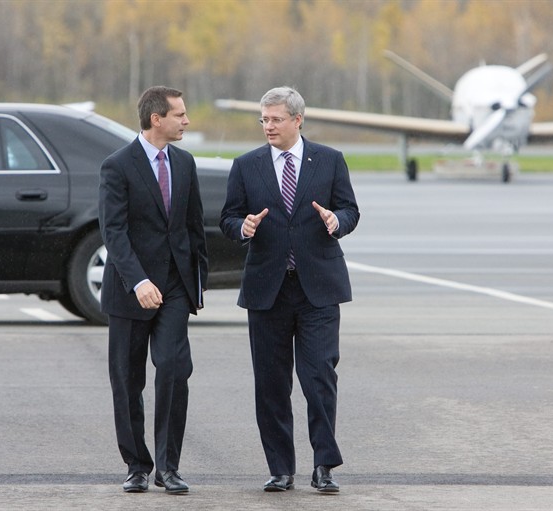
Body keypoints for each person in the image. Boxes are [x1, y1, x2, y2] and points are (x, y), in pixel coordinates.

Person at [220, 86, 360, 493]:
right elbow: (228, 216)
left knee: (318, 377)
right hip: (268, 290)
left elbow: (350, 209)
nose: (268, 127)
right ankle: (280, 468)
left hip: (318, 288)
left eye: (276, 119)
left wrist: (337, 221)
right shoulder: (247, 166)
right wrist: (242, 228)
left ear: (298, 120)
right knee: (271, 383)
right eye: (263, 120)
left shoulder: (330, 161)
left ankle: (324, 466)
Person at [98, 86, 208, 494]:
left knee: (176, 369)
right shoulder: (117, 166)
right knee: (128, 380)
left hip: (176, 285)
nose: (186, 120)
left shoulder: (185, 163)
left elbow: (193, 226)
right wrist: (138, 280)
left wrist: (198, 282)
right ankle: (137, 465)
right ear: (156, 119)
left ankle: (168, 466)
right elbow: (114, 231)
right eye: (180, 114)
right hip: (131, 289)